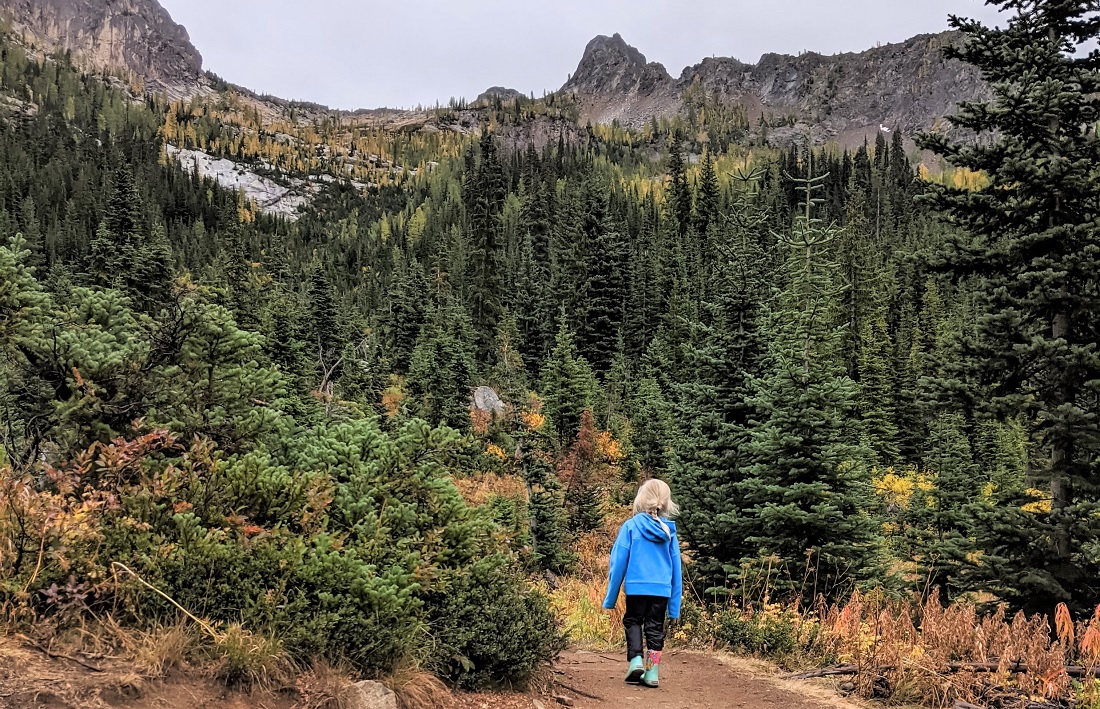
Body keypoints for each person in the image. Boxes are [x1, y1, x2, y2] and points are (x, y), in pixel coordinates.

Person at [602, 478, 683, 688]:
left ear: (641, 499)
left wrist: (610, 598)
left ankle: (636, 660)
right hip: (662, 591)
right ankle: (652, 672)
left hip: (637, 588)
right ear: (665, 503)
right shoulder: (669, 533)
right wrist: (674, 608)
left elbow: (618, 563)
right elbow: (676, 571)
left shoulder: (630, 527)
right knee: (655, 629)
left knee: (633, 621)